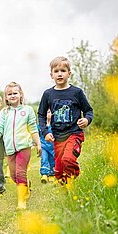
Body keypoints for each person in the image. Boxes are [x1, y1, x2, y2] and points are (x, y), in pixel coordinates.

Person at [38, 56, 93, 186]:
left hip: (74, 134)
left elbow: (88, 110)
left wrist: (86, 119)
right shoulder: (48, 94)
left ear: (69, 73)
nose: (59, 74)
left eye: (63, 70)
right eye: (56, 71)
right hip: (57, 137)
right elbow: (41, 115)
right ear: (51, 75)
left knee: (68, 159)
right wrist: (45, 132)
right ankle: (65, 190)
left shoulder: (77, 92)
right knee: (59, 169)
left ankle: (72, 183)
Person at [0, 82, 41, 210]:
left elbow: (33, 128)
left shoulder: (27, 110)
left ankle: (21, 200)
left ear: (20, 95)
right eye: (10, 94)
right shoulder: (4, 112)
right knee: (14, 175)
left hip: (24, 147)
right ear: (6, 97)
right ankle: (26, 185)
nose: (13, 95)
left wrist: (39, 143)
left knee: (20, 172)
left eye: (15, 93)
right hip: (9, 149)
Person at [38, 109, 55, 184]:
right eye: (47, 112)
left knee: (52, 160)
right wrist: (34, 143)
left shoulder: (54, 125)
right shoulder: (40, 126)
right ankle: (44, 174)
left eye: (50, 112)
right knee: (44, 159)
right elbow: (36, 134)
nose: (49, 114)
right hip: (43, 146)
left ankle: (51, 174)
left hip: (52, 147)